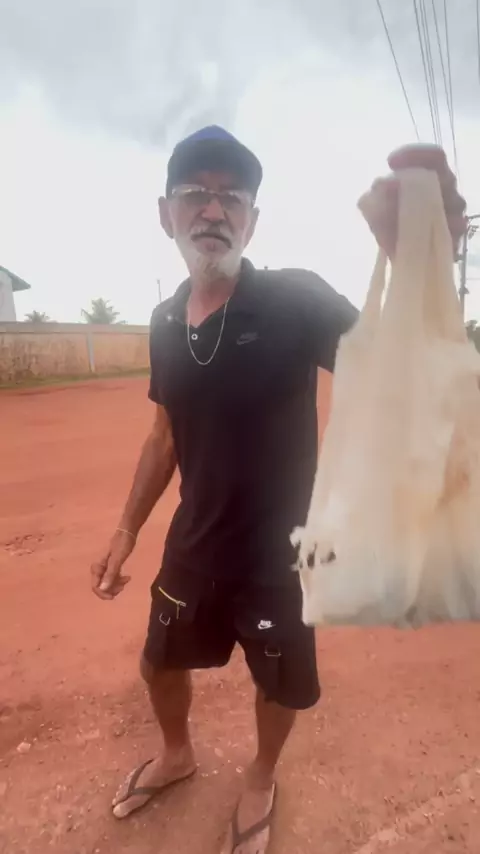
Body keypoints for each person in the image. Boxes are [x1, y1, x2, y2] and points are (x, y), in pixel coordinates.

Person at [91, 127, 465, 854]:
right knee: (157, 661)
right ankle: (177, 753)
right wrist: (126, 530)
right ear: (166, 214)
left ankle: (261, 775)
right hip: (194, 543)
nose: (214, 209)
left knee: (277, 683)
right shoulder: (165, 323)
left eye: (233, 197)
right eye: (195, 193)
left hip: (282, 554)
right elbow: (164, 435)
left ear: (253, 221)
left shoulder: (295, 300)